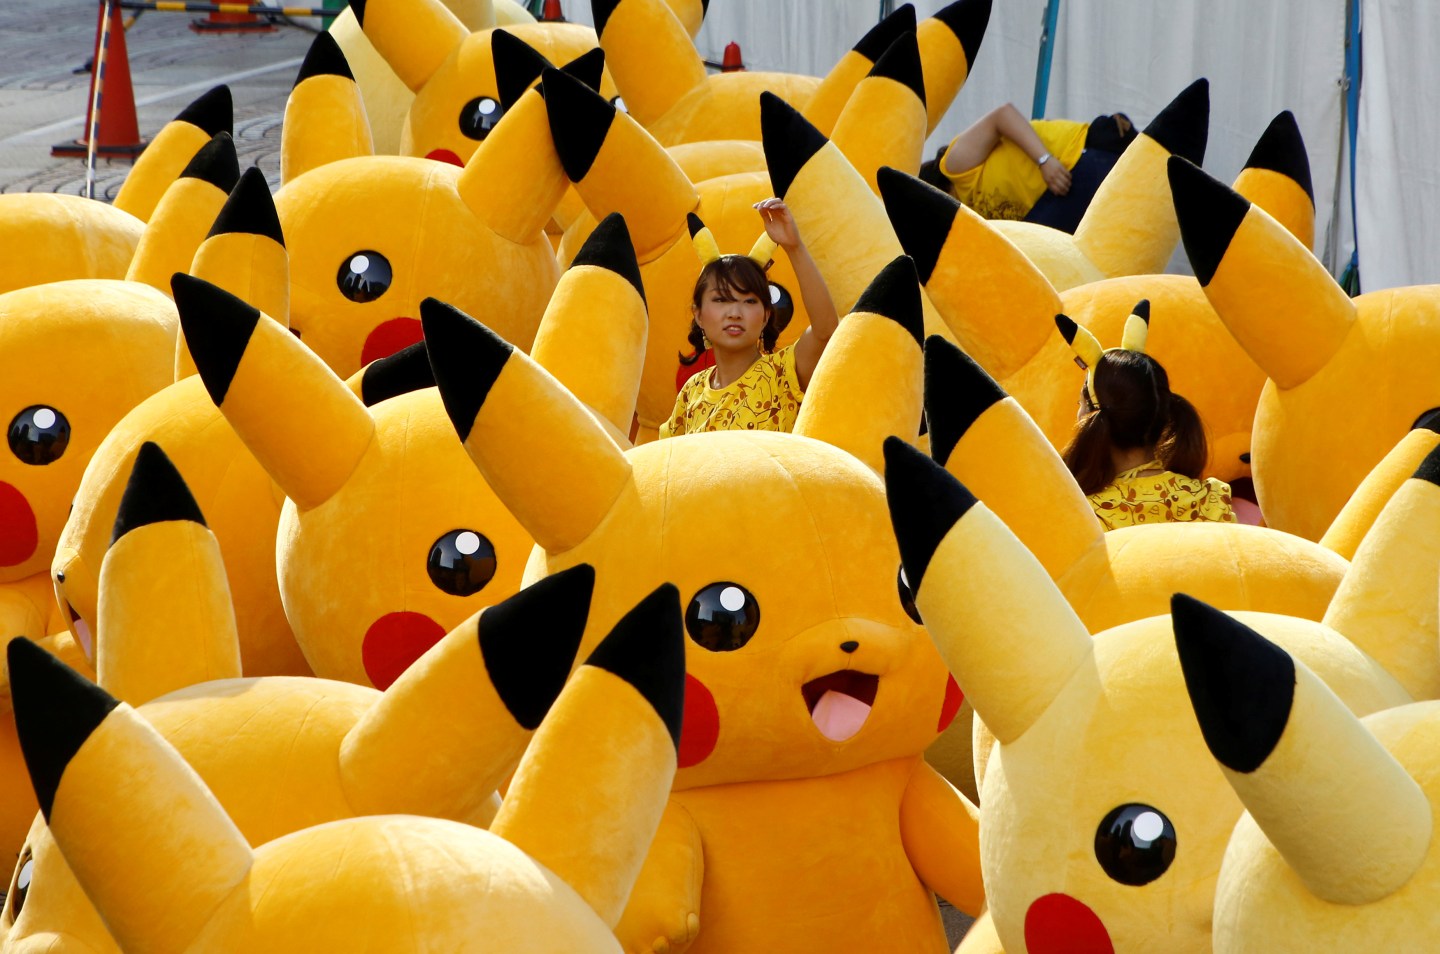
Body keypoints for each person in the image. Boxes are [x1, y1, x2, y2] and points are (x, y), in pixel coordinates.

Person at [659, 198, 838, 437]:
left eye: (749, 301)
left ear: (766, 315)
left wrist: (794, 247)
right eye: (722, 300)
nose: (735, 313)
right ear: (699, 315)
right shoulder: (690, 394)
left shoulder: (783, 373)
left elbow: (825, 331)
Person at [1061, 341, 1236, 530]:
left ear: (1091, 417)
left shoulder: (1086, 514)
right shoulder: (1211, 500)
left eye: (1080, 404)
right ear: (1163, 413)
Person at [918, 104, 1137, 231]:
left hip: (1077, 158)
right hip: (1065, 194)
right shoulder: (973, 222)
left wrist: (1044, 160)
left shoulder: (954, 166)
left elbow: (1003, 115)